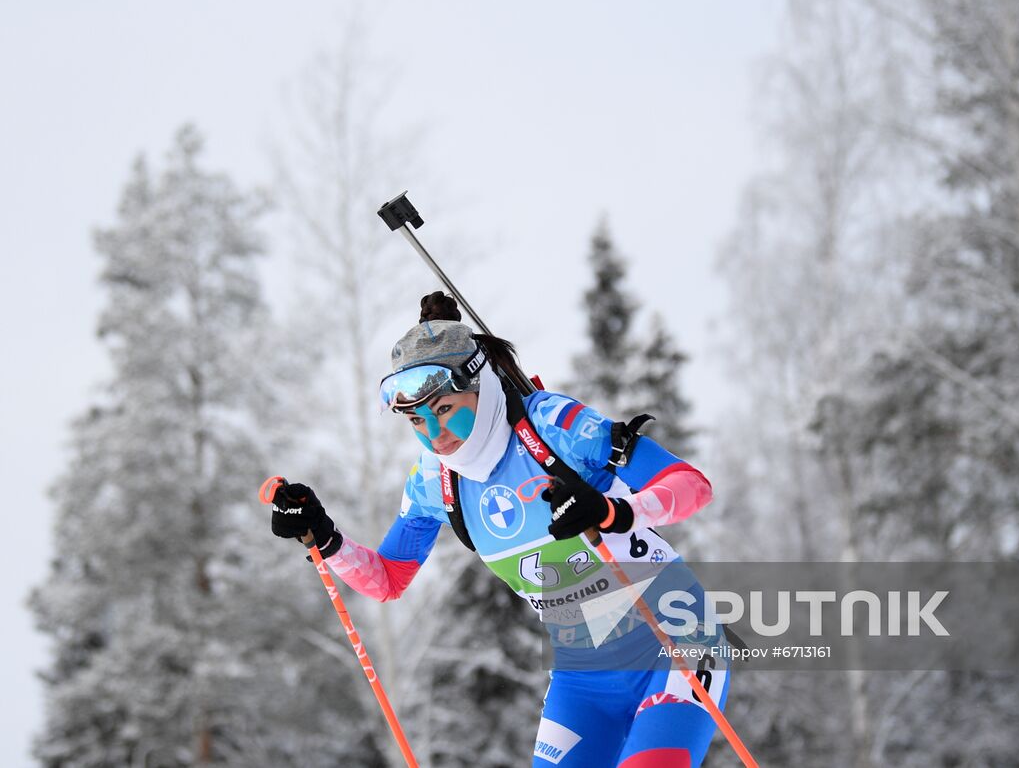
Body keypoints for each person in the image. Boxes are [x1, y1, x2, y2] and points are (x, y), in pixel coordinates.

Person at [270, 292, 729, 768]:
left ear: (479, 385)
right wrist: (326, 538)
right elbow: (387, 579)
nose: (434, 433)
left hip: (674, 640)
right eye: (415, 420)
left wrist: (614, 511)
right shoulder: (434, 479)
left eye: (445, 409)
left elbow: (689, 485)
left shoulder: (551, 424)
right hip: (583, 676)